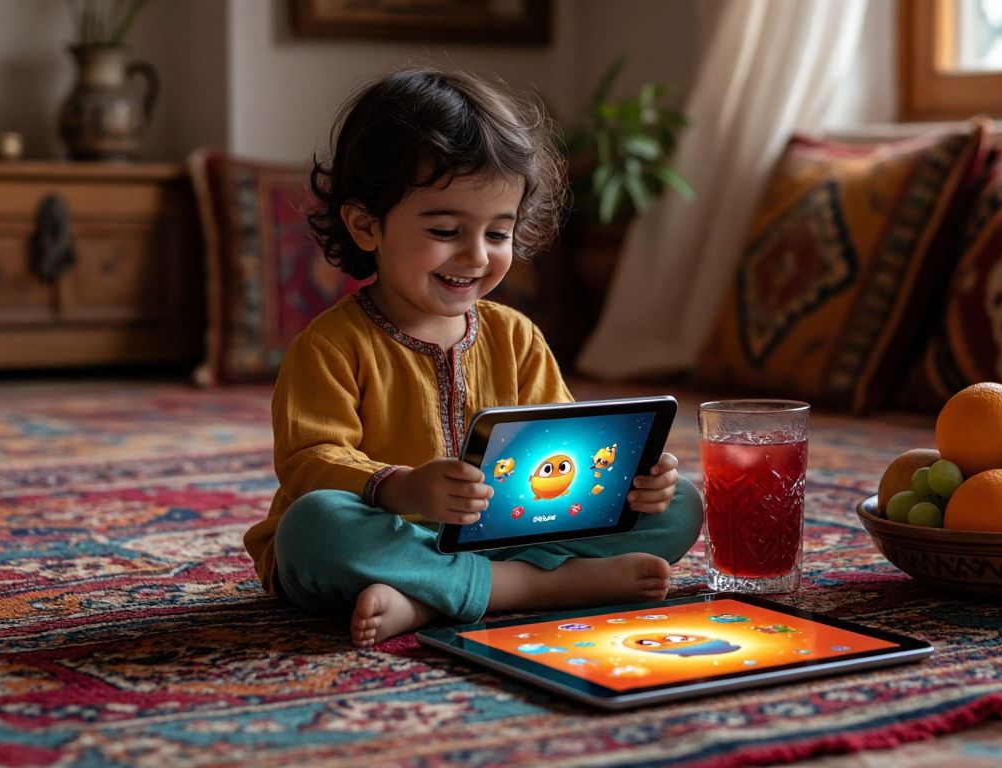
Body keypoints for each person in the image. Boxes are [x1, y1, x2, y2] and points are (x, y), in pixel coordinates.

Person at [242, 67, 703, 647]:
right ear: (365, 225)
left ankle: (431, 597)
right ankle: (535, 590)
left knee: (682, 506)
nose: (476, 255)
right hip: (384, 535)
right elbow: (310, 461)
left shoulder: (516, 336)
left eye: (497, 234)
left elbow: (562, 449)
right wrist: (405, 489)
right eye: (444, 229)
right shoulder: (329, 346)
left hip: (504, 533)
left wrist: (628, 481)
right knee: (312, 530)